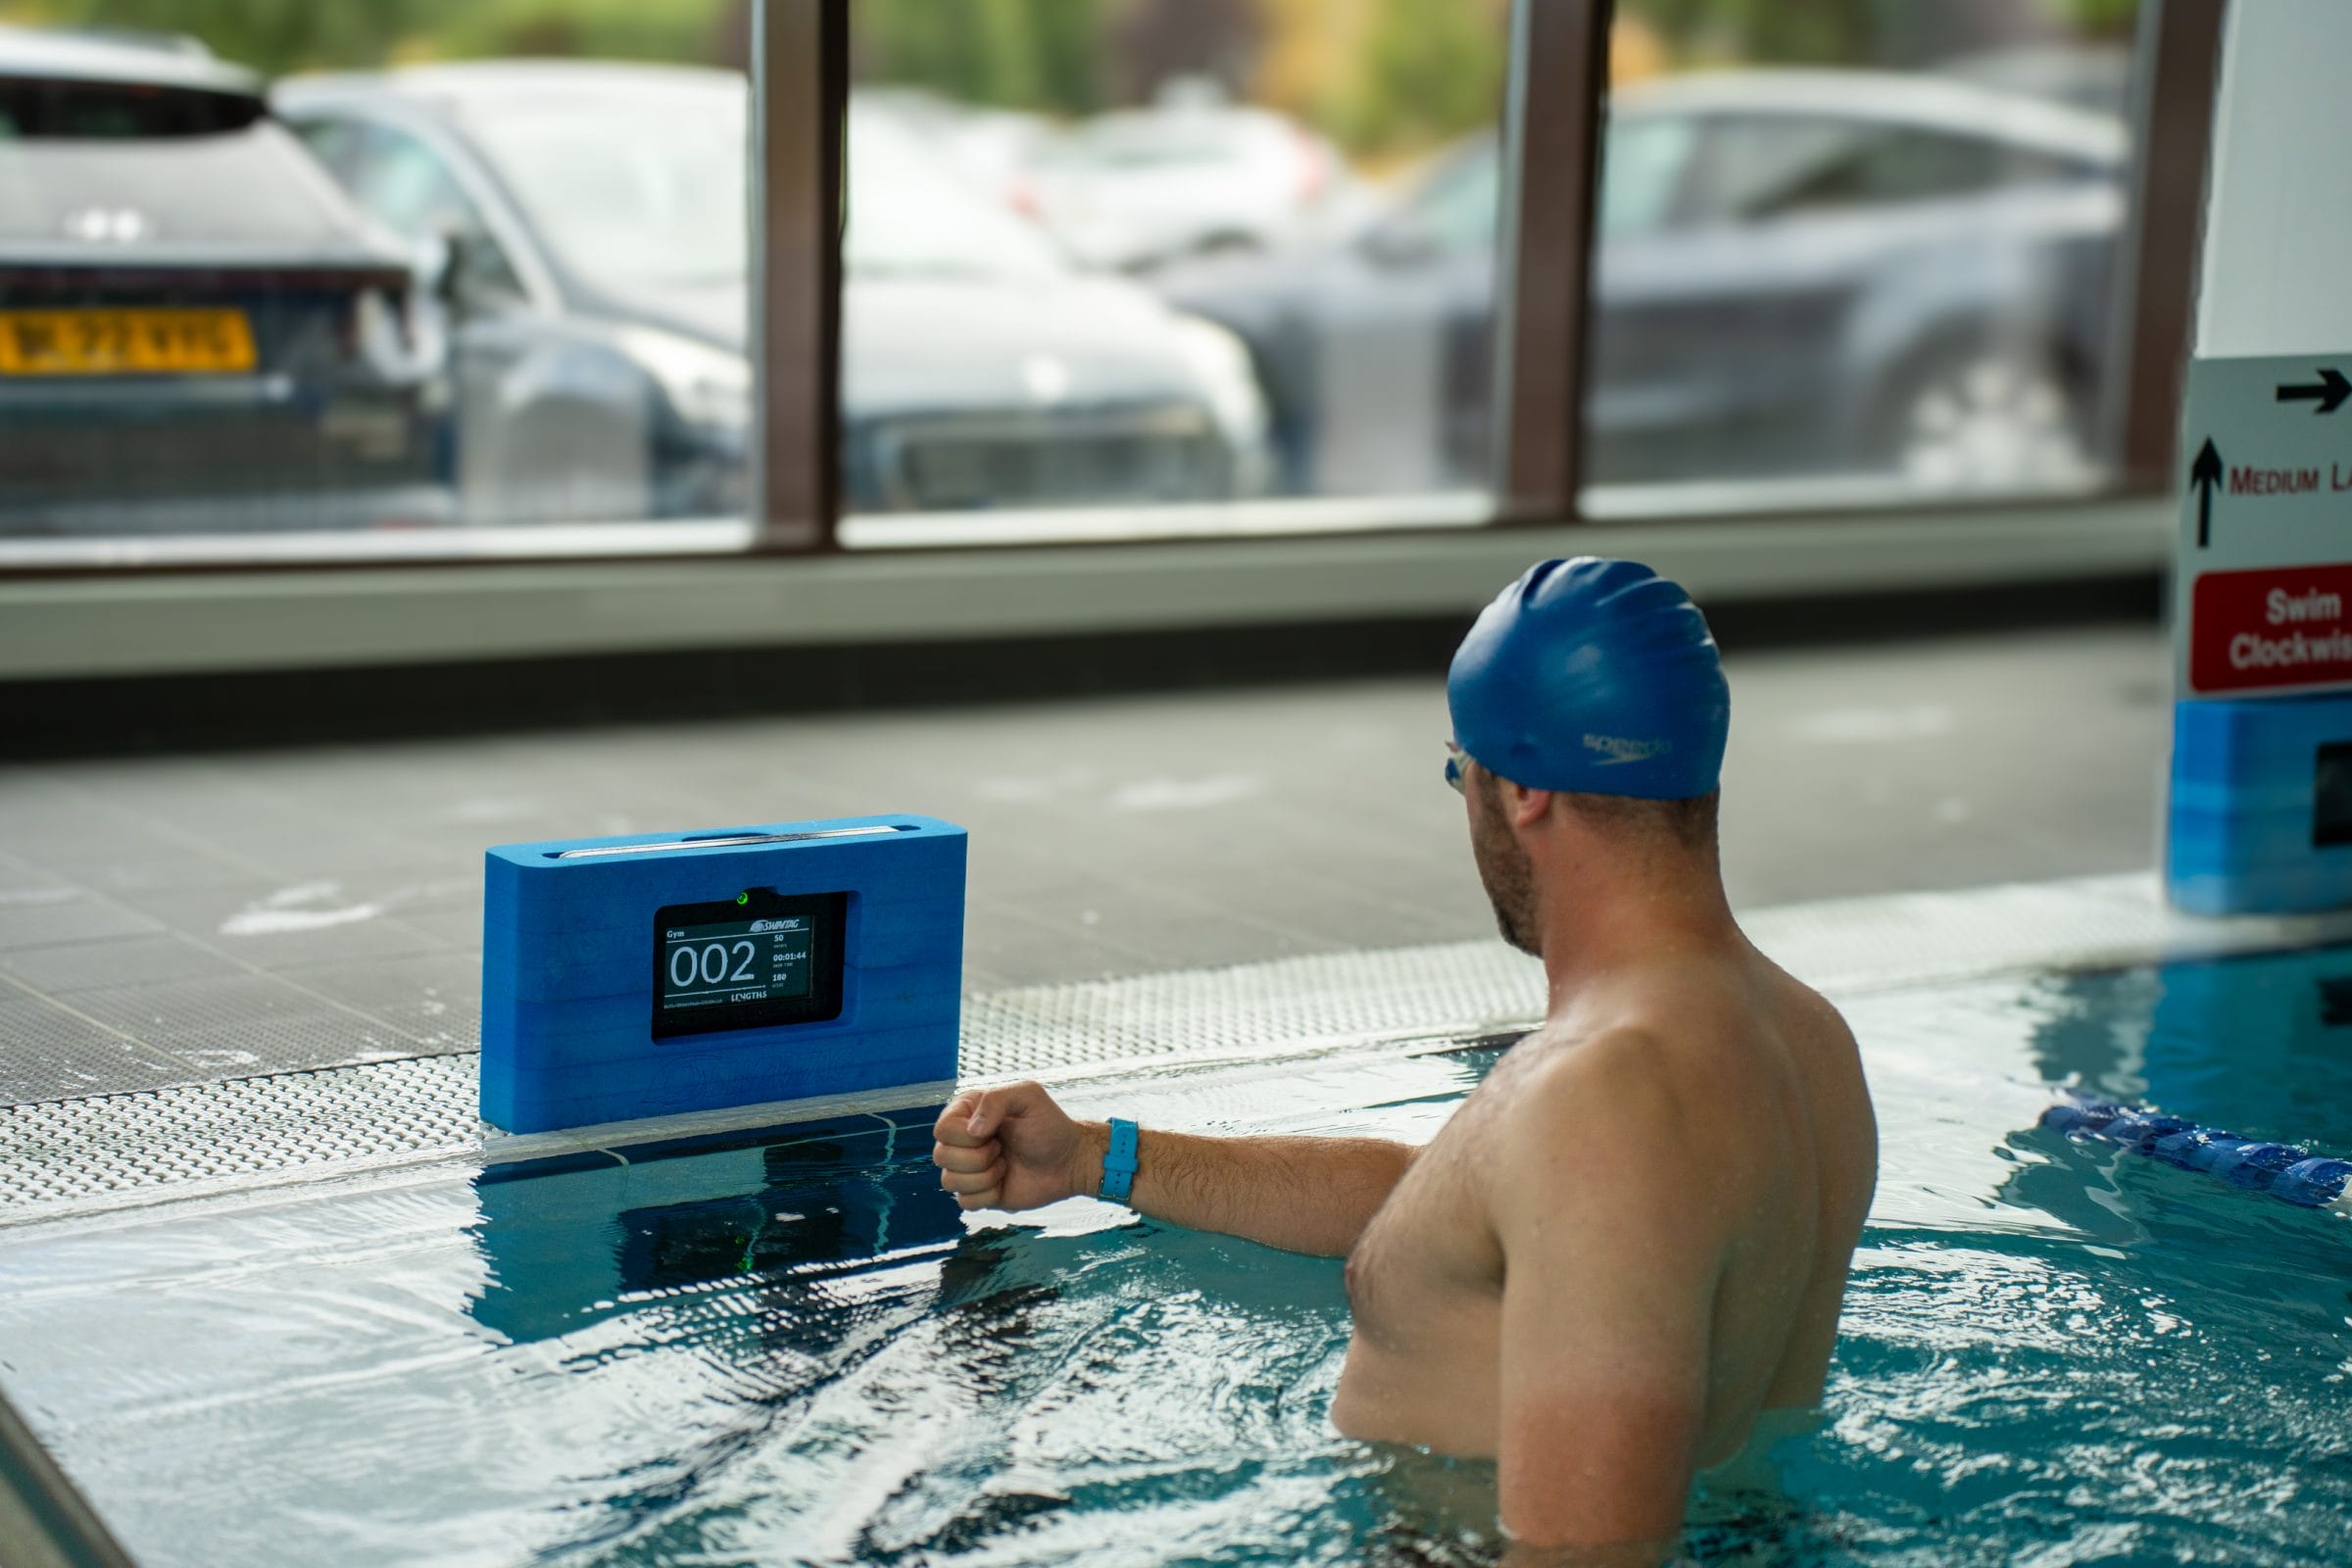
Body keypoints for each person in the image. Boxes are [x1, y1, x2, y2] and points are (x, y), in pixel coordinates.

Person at [932, 558, 1878, 1564]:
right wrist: (1093, 1156)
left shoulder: (1600, 1098)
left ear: (1522, 790)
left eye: (1459, 770)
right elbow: (1456, 1207)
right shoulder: (1806, 1041)